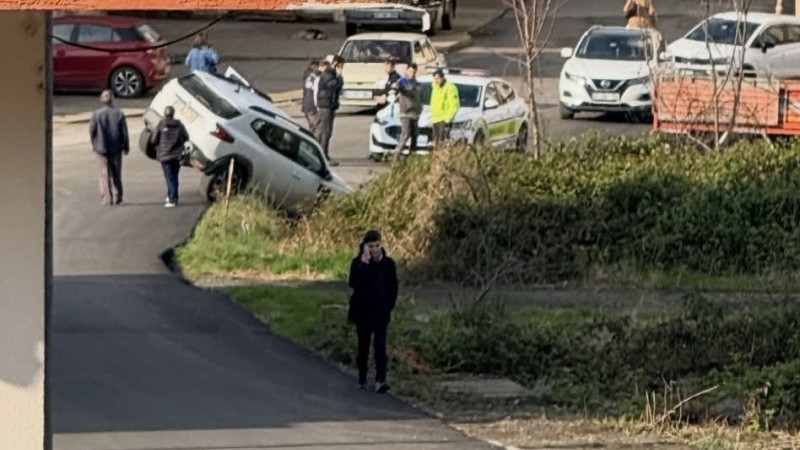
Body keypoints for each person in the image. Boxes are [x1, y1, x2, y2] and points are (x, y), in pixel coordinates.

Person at [348, 230, 398, 393]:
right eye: (371, 246)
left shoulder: (388, 264)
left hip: (381, 312)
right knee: (363, 346)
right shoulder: (357, 263)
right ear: (365, 247)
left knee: (380, 346)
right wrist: (364, 264)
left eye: (377, 246)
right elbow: (354, 283)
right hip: (363, 312)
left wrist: (389, 306)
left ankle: (380, 379)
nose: (375, 249)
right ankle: (362, 376)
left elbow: (393, 287)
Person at [89, 89, 129, 206]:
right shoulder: (119, 113)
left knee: (103, 173)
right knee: (116, 172)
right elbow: (124, 132)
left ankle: (107, 197)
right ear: (112, 99)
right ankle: (117, 195)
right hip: (116, 147)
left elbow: (92, 131)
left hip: (100, 147)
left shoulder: (96, 114)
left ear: (101, 100)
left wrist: (94, 144)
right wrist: (126, 146)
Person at [149, 106, 189, 208]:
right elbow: (186, 137)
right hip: (177, 155)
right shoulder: (179, 125)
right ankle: (171, 194)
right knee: (174, 176)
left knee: (169, 177)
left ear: (164, 114)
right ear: (173, 114)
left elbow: (153, 140)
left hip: (165, 155)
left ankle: (173, 199)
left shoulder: (161, 125)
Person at [315, 56, 345, 166]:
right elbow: (334, 86)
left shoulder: (331, 74)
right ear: (336, 63)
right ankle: (323, 155)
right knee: (325, 131)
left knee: (324, 131)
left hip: (329, 105)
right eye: (341, 65)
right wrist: (340, 76)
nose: (342, 68)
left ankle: (320, 154)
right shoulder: (328, 74)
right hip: (326, 105)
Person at [392, 63, 423, 154]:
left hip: (415, 113)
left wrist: (420, 109)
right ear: (406, 71)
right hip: (406, 113)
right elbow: (396, 86)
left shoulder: (417, 84)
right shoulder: (403, 81)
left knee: (415, 135)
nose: (412, 74)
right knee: (406, 134)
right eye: (410, 72)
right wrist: (396, 86)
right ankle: (396, 154)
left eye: (414, 72)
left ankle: (412, 155)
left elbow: (420, 98)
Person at [430, 69, 461, 148]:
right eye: (435, 78)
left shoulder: (450, 87)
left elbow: (454, 105)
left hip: (444, 119)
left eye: (438, 78)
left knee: (442, 142)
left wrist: (448, 118)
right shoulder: (435, 87)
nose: (436, 80)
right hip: (435, 119)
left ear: (442, 77)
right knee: (436, 142)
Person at [301, 60, 321, 135]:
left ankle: (312, 134)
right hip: (312, 104)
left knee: (312, 125)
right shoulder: (315, 76)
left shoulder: (306, 75)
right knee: (316, 125)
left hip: (306, 103)